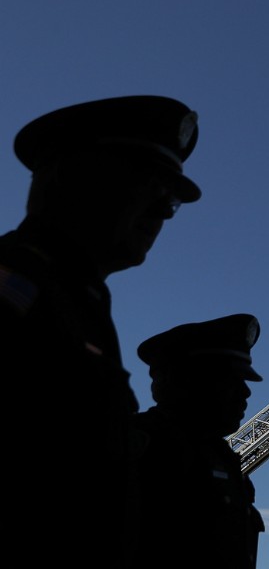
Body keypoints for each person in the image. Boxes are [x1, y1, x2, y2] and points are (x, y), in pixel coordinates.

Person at [0, 95, 202, 566]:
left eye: (170, 202)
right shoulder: (17, 283)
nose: (161, 214)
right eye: (148, 188)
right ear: (70, 179)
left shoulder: (79, 301)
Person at [127, 313, 266, 569]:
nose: (245, 392)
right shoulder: (139, 447)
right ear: (185, 381)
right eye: (230, 379)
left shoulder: (223, 459)